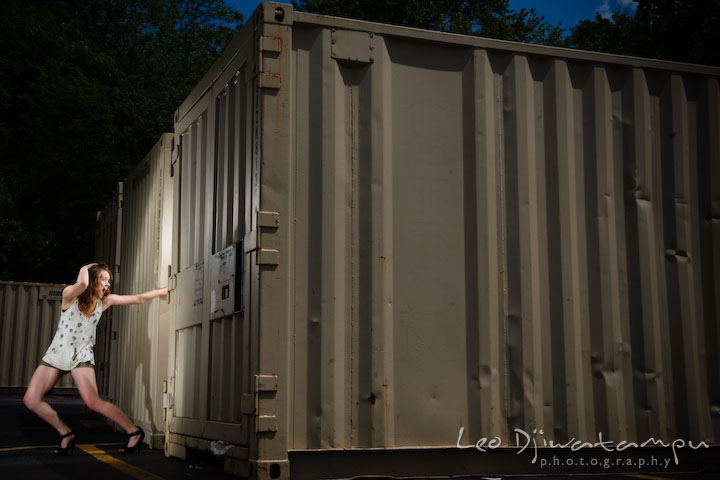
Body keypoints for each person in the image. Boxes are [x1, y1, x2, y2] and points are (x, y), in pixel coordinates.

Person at [23, 262, 168, 455]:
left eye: (109, 280)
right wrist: (84, 267)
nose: (108, 285)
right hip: (56, 353)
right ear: (92, 280)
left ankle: (134, 431)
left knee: (92, 401)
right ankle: (66, 434)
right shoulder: (69, 296)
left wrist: (167, 289)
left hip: (81, 355)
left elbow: (139, 298)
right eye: (103, 279)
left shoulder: (104, 302)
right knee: (31, 400)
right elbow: (81, 285)